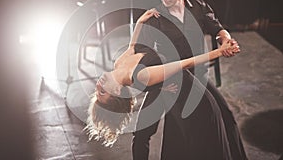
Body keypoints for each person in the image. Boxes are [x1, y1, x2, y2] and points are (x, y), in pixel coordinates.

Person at [127, 0, 248, 160]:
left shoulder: (198, 7)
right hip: (170, 79)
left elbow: (218, 29)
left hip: (196, 77)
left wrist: (226, 40)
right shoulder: (155, 17)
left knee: (226, 116)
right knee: (143, 132)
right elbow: (142, 54)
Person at [84, 30, 239, 152]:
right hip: (183, 88)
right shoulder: (141, 76)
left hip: (181, 83)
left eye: (96, 92)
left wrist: (142, 20)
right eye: (102, 92)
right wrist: (219, 52)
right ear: (118, 91)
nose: (97, 86)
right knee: (143, 136)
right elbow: (183, 64)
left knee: (226, 118)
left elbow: (134, 45)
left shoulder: (120, 64)